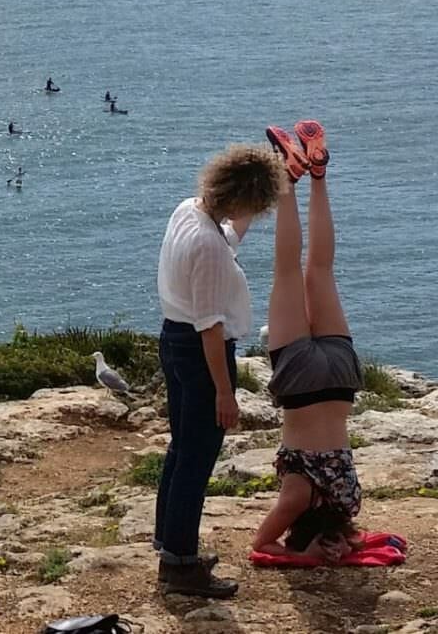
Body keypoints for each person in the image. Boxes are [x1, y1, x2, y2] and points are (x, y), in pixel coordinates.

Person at [154, 144, 289, 598]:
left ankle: (171, 544)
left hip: (172, 340)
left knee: (181, 448)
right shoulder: (209, 247)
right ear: (248, 196)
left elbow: (228, 234)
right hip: (200, 353)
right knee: (197, 457)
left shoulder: (189, 213)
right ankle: (180, 568)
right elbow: (210, 327)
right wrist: (224, 392)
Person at [252, 120, 365, 561]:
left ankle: (317, 175)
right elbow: (262, 547)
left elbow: (332, 532)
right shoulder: (298, 498)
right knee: (286, 272)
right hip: (300, 385)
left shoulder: (347, 500)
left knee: (320, 270)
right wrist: (303, 556)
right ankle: (287, 178)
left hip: (340, 380)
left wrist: (326, 544)